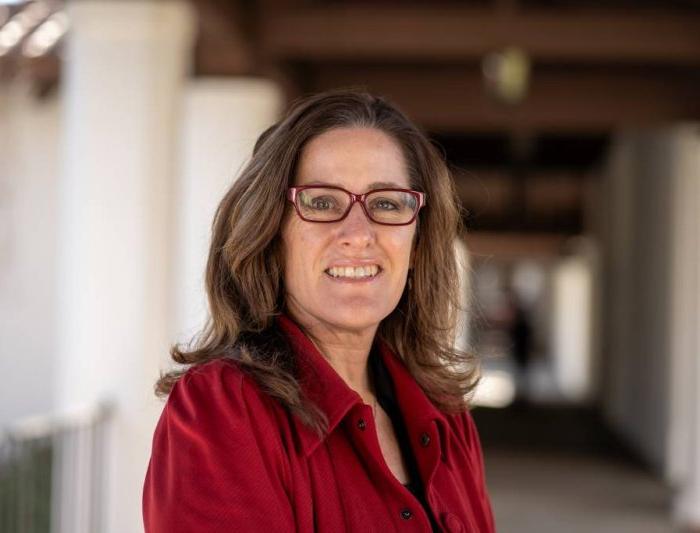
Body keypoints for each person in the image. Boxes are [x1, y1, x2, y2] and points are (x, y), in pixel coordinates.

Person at [142, 89, 496, 532]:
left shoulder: (446, 416)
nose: (357, 233)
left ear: (418, 244)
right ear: (272, 233)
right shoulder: (224, 411)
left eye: (387, 203)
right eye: (322, 202)